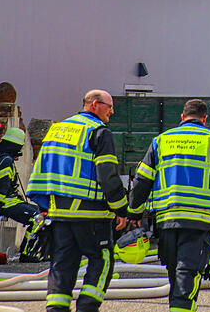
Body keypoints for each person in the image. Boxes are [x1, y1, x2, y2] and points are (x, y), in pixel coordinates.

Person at [28, 90, 138, 312]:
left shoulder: (56, 130)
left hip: (59, 215)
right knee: (102, 260)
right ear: (95, 104)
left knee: (62, 264)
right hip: (91, 215)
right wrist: (122, 209)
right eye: (109, 106)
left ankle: (56, 309)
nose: (112, 111)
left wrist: (46, 207)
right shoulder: (99, 132)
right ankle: (87, 307)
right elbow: (107, 175)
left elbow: (41, 170)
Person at [129, 99, 210, 312]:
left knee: (175, 274)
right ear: (204, 119)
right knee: (187, 273)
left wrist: (133, 213)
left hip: (167, 219)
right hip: (201, 219)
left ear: (182, 117)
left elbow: (142, 180)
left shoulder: (161, 140)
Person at [0, 127, 40, 225]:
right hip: (6, 203)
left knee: (38, 211)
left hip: (7, 201)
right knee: (37, 217)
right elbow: (3, 185)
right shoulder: (6, 161)